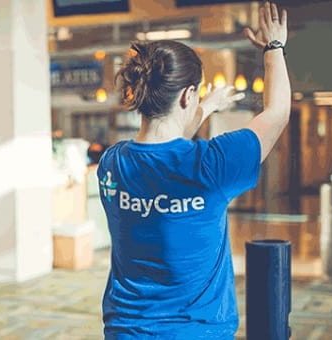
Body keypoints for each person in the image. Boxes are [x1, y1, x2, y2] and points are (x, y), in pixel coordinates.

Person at [98, 2, 289, 338]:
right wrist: (274, 48)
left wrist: (206, 106)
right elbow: (276, 114)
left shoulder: (112, 164)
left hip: (126, 331)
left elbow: (163, 146)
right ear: (187, 95)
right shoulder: (211, 164)